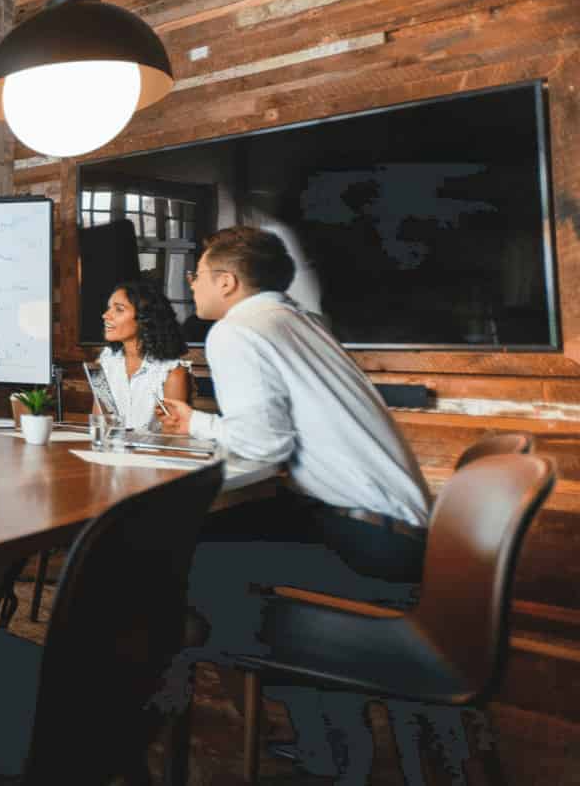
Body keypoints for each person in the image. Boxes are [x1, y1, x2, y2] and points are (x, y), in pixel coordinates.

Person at [157, 226, 432, 782]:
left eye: (197, 275)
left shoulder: (236, 332)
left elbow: (262, 449)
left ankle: (315, 723)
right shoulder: (299, 322)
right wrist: (205, 427)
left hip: (371, 545)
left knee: (183, 560)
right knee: (224, 542)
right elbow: (280, 432)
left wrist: (172, 482)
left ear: (226, 281)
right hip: (401, 533)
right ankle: (326, 723)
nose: (192, 285)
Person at [95, 278, 189, 431]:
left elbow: (173, 435)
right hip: (112, 451)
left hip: (151, 453)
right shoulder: (106, 361)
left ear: (144, 319)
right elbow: (100, 423)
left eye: (119, 309)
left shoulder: (171, 372)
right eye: (108, 308)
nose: (105, 315)